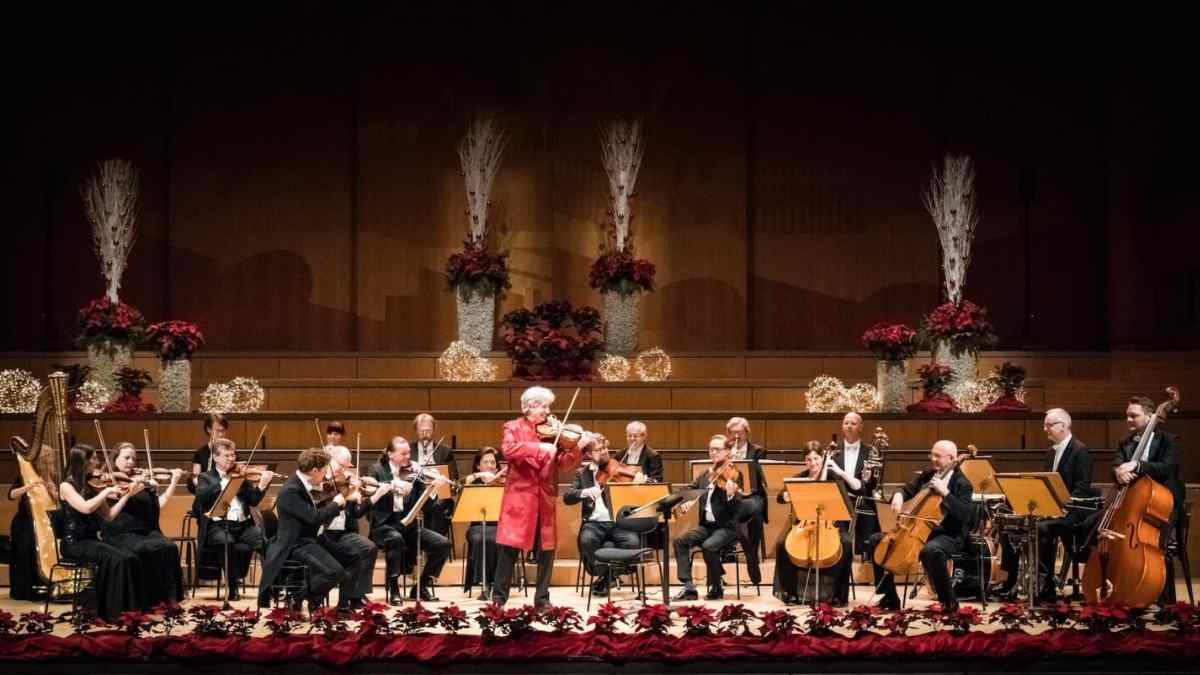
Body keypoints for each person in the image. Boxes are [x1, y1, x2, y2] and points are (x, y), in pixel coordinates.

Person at [492, 386, 592, 607]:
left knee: (546, 550)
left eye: (549, 407)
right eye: (544, 407)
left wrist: (579, 448)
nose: (548, 412)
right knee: (509, 549)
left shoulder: (552, 432)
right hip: (520, 498)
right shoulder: (513, 427)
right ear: (529, 406)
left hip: (544, 499)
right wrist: (539, 448)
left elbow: (565, 464)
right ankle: (499, 599)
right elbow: (509, 450)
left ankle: (543, 599)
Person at [993, 408, 1095, 601]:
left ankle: (1044, 585)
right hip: (1051, 509)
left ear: (1063, 426)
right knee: (1008, 526)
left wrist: (1061, 508)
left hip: (1073, 512)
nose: (1045, 428)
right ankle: (1010, 583)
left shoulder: (1080, 450)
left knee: (1040, 528)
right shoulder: (1051, 452)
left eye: (1049, 425)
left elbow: (1082, 488)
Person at [867, 440, 973, 612]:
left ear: (952, 458)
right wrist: (899, 496)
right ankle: (889, 597)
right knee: (876, 540)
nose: (933, 459)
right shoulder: (929, 474)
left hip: (949, 534)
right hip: (917, 530)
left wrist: (945, 493)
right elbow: (907, 489)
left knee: (930, 550)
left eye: (938, 456)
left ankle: (948, 601)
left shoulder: (962, 483)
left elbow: (964, 516)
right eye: (932, 454)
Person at [258, 447, 362, 613]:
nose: (326, 475)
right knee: (334, 572)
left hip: (313, 538)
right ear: (314, 470)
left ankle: (342, 606)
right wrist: (337, 502)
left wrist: (344, 500)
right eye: (324, 471)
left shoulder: (307, 484)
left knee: (354, 557)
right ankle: (299, 597)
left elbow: (319, 512)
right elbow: (314, 518)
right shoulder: (290, 491)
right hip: (295, 543)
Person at [1111, 395, 1184, 603]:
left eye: (1134, 415)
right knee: (1097, 528)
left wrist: (1138, 465)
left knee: (1157, 545)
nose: (1128, 420)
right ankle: (1122, 588)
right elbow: (1116, 465)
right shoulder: (1125, 442)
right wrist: (1118, 472)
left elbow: (1166, 468)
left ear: (1151, 416)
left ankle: (1165, 601)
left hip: (1163, 506)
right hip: (1132, 505)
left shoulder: (1168, 441)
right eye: (1127, 416)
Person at [57, 445, 143, 619]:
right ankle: (112, 612)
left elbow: (109, 515)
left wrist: (127, 495)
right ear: (83, 461)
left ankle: (129, 611)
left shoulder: (91, 485)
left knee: (131, 557)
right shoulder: (66, 485)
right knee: (118, 560)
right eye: (94, 458)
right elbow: (85, 508)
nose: (97, 462)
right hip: (74, 544)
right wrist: (105, 492)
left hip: (91, 541)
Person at [369, 436, 451, 603]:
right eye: (403, 453)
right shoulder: (377, 470)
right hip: (384, 526)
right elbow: (371, 496)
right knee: (395, 538)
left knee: (443, 544)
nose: (408, 457)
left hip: (408, 525)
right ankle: (394, 589)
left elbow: (426, 507)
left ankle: (421, 586)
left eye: (409, 453)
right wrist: (393, 484)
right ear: (391, 454)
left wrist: (433, 490)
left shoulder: (414, 471)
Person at [102, 442, 185, 607]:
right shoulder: (108, 481)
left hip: (145, 532)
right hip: (121, 532)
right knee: (150, 548)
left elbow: (158, 505)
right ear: (114, 458)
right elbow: (115, 501)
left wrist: (173, 482)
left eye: (133, 458)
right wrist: (139, 485)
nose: (131, 462)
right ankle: (148, 599)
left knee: (169, 547)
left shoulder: (140, 480)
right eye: (126, 458)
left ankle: (168, 598)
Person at [773, 442, 853, 606]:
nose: (813, 463)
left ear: (822, 458)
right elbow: (780, 497)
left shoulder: (833, 478)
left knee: (845, 544)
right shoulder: (799, 478)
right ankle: (791, 592)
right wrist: (786, 496)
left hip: (831, 522)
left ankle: (837, 595)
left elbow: (845, 502)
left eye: (816, 458)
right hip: (802, 522)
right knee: (781, 544)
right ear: (805, 461)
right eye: (809, 459)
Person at [193, 438, 273, 600]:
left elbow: (253, 500)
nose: (232, 459)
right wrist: (225, 481)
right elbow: (201, 495)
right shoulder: (206, 477)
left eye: (233, 455)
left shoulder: (240, 476)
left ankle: (269, 587)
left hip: (243, 526)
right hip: (218, 526)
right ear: (215, 457)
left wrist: (262, 486)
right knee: (226, 542)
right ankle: (232, 587)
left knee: (266, 543)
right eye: (227, 456)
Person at [563, 435, 641, 597]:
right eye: (599, 450)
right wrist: (584, 492)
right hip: (594, 523)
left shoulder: (618, 468)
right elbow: (568, 497)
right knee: (586, 540)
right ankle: (606, 575)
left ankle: (607, 579)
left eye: (605, 448)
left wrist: (639, 483)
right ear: (589, 454)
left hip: (618, 522)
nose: (605, 452)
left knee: (633, 542)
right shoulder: (582, 474)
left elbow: (636, 497)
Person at [672, 434, 743, 601]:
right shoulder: (705, 475)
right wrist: (671, 498)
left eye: (717, 449)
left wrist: (731, 495)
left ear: (727, 452)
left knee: (708, 546)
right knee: (680, 541)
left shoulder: (735, 474)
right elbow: (688, 490)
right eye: (711, 449)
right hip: (707, 526)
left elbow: (740, 507)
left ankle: (717, 584)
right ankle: (689, 586)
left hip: (727, 527)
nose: (713, 453)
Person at [318, 444, 380, 609]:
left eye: (347, 467)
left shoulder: (344, 482)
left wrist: (359, 494)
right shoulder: (321, 480)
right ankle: (346, 600)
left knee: (369, 548)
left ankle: (356, 595)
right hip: (323, 534)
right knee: (355, 554)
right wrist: (345, 496)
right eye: (342, 466)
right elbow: (321, 506)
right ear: (330, 460)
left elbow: (355, 513)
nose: (345, 470)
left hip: (342, 533)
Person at [6, 448, 59, 601]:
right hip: (24, 524)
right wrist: (30, 485)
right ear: (39, 461)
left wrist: (52, 489)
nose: (49, 464)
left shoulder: (52, 476)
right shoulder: (24, 476)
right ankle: (24, 590)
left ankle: (43, 587)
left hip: (44, 523)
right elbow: (11, 495)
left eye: (51, 461)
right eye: (46, 461)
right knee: (25, 554)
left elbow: (57, 500)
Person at [459, 447, 506, 599]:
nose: (490, 465)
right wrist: (479, 476)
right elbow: (456, 485)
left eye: (493, 462)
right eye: (485, 462)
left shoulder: (504, 482)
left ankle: (496, 583)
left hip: (500, 525)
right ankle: (484, 584)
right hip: (477, 527)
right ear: (478, 465)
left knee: (497, 539)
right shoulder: (473, 481)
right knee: (481, 539)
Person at [830, 412, 881, 552]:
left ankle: (865, 559)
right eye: (846, 423)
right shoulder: (833, 452)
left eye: (853, 423)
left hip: (863, 499)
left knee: (868, 543)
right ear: (842, 427)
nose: (849, 426)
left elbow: (874, 484)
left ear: (860, 427)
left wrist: (869, 478)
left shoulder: (871, 451)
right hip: (839, 500)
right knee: (838, 543)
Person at [726, 417, 766, 585]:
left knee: (755, 511)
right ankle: (749, 555)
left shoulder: (757, 451)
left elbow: (761, 476)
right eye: (733, 433)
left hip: (752, 494)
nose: (736, 436)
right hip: (730, 494)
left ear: (747, 433)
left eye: (740, 433)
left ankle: (750, 551)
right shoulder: (724, 450)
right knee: (724, 510)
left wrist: (741, 462)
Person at [411, 413, 457, 537]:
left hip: (439, 498)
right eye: (421, 430)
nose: (425, 432)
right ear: (416, 430)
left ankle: (434, 547)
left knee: (438, 507)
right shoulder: (408, 450)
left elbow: (452, 478)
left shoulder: (445, 452)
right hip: (414, 497)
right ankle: (414, 548)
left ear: (433, 430)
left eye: (428, 429)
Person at [188, 413, 228, 494]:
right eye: (217, 431)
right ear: (209, 429)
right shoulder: (200, 453)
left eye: (223, 431)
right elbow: (195, 480)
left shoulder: (230, 453)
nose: (221, 435)